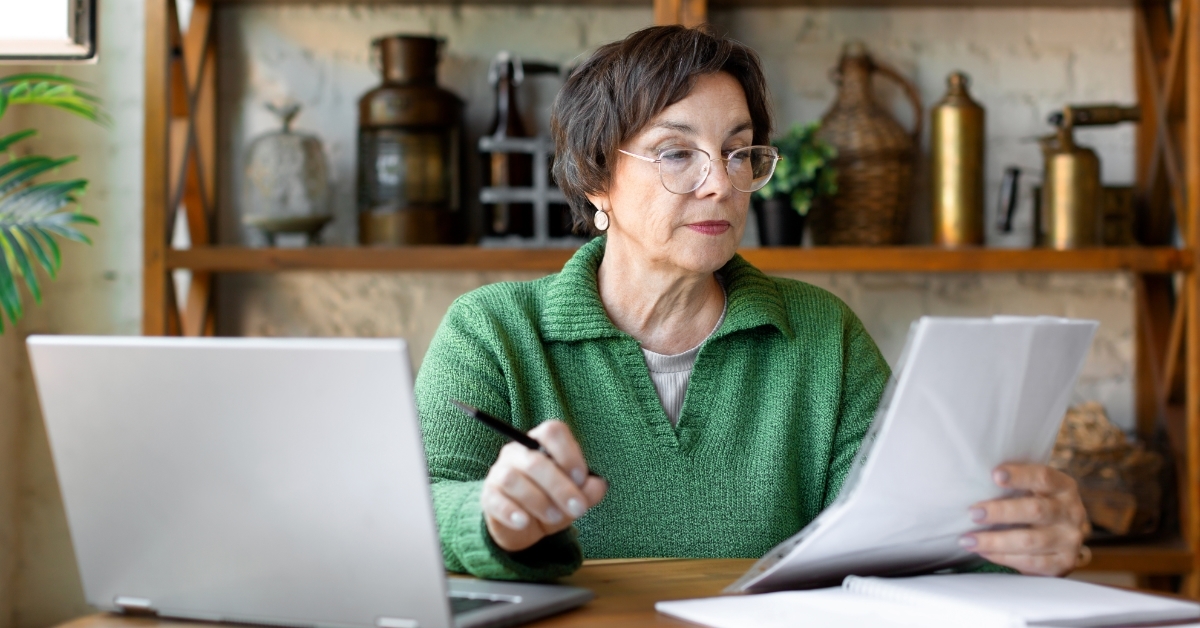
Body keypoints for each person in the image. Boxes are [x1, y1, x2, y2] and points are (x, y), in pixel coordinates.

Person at [414, 25, 1088, 582]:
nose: (721, 184)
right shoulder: (492, 332)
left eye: (738, 153)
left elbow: (906, 538)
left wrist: (1016, 546)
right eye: (677, 152)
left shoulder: (823, 334)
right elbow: (416, 509)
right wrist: (492, 515)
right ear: (596, 180)